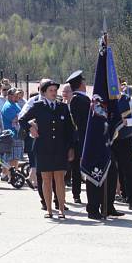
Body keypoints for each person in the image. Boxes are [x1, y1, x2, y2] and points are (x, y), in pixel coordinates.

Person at [20, 80, 75, 219]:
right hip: (43, 148)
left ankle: (61, 209)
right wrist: (30, 128)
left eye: (55, 90)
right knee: (46, 179)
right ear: (44, 93)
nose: (54, 93)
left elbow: (70, 129)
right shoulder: (38, 106)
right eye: (50, 90)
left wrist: (71, 148)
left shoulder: (62, 107)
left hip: (60, 148)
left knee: (60, 180)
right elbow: (22, 119)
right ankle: (49, 209)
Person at [113, 90, 132, 211]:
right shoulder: (103, 99)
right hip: (109, 140)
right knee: (110, 172)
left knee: (129, 171)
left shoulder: (129, 100)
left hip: (125, 140)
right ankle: (108, 203)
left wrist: (128, 122)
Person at [66, 70, 90, 204]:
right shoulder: (79, 99)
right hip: (80, 138)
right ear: (81, 84)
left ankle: (77, 194)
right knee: (76, 167)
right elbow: (80, 122)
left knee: (77, 168)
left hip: (79, 137)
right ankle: (76, 194)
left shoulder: (79, 98)